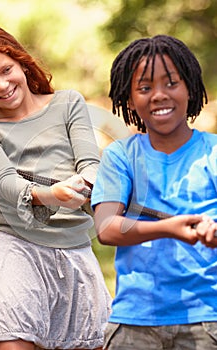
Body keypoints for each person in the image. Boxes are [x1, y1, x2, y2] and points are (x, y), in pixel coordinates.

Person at [0, 23, 111, 349]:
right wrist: (48, 195)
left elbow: (89, 162)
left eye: (6, 70)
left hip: (73, 251)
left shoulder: (68, 103)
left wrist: (88, 182)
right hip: (17, 247)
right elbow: (6, 182)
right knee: (11, 341)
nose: (1, 85)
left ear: (22, 63)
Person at [91, 35, 217, 350]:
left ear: (190, 88)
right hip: (135, 320)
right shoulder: (121, 156)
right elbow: (106, 227)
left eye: (171, 83)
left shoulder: (213, 153)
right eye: (145, 88)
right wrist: (168, 229)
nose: (159, 95)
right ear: (129, 99)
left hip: (207, 318)